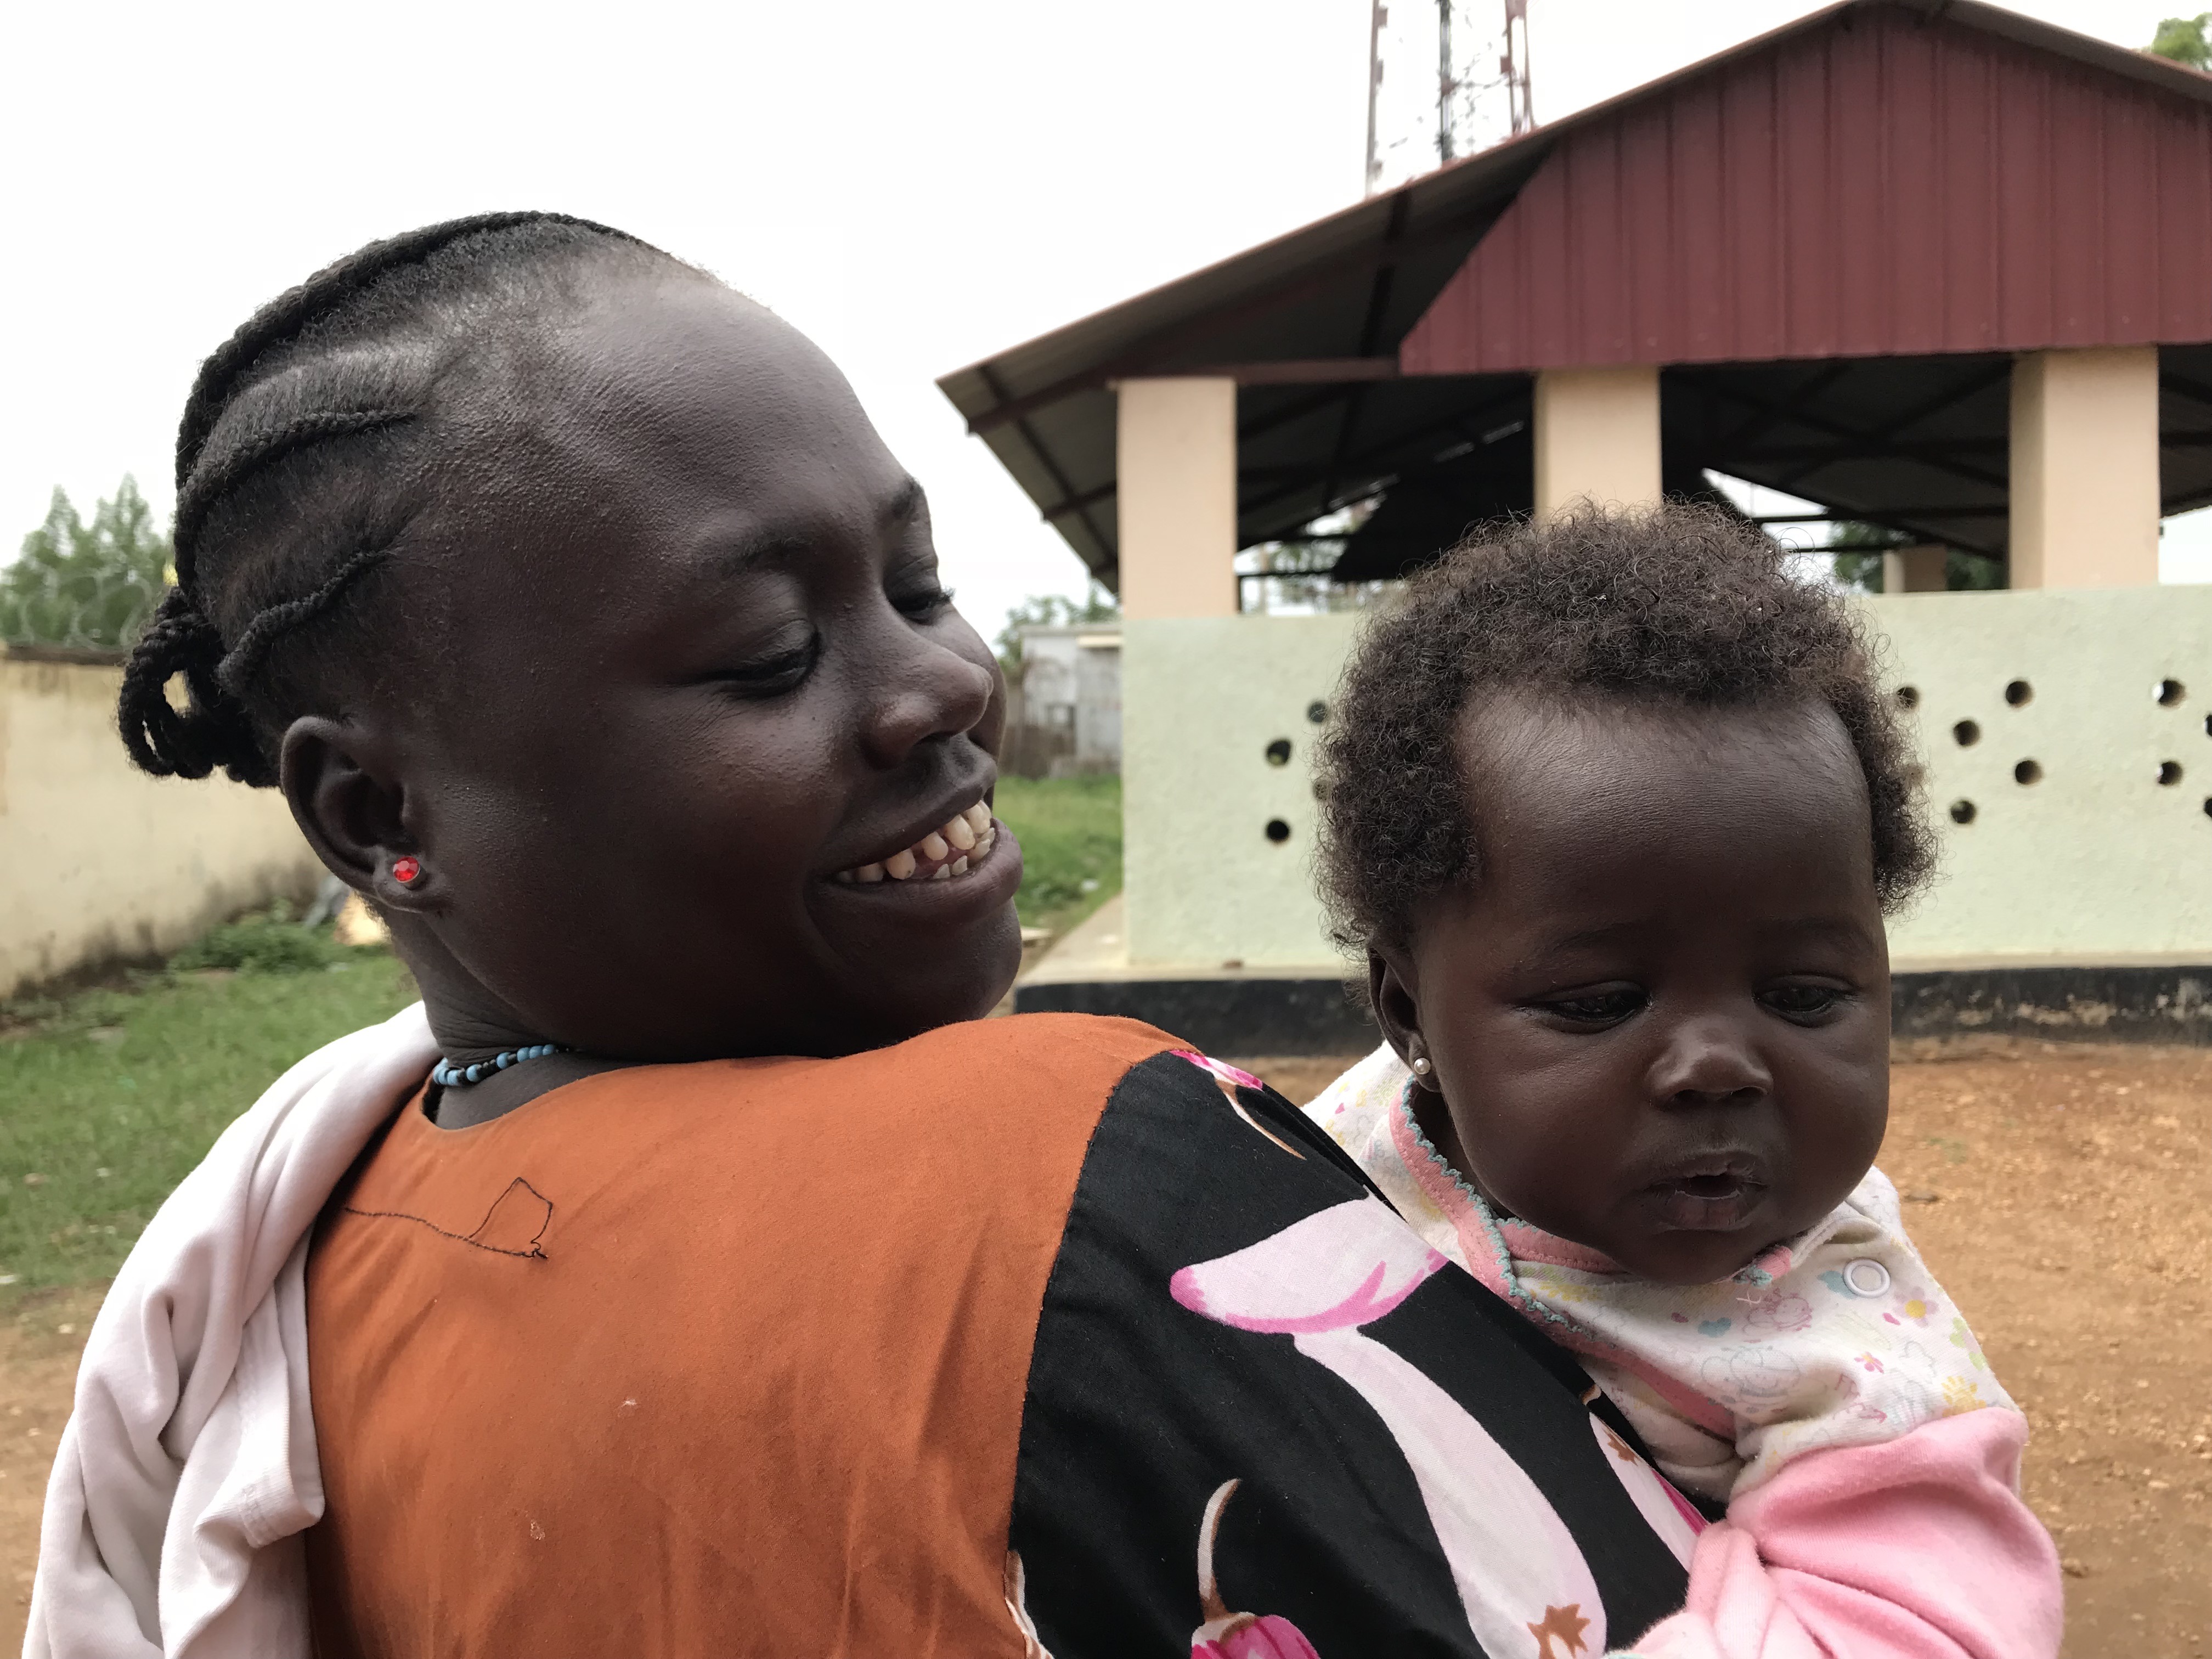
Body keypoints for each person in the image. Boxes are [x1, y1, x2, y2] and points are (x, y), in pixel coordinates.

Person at [29, 216, 1698, 1659]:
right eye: (765, 651)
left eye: (916, 581)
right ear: (381, 819)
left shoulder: (311, 1276)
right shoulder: (1085, 1190)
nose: (950, 682)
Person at [1304, 506, 2063, 1658]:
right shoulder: (1320, 1153)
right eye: (1601, 1004)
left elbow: (1924, 1632)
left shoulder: (1854, 1370)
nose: (1717, 1065)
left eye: (1804, 995)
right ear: (1410, 1011)